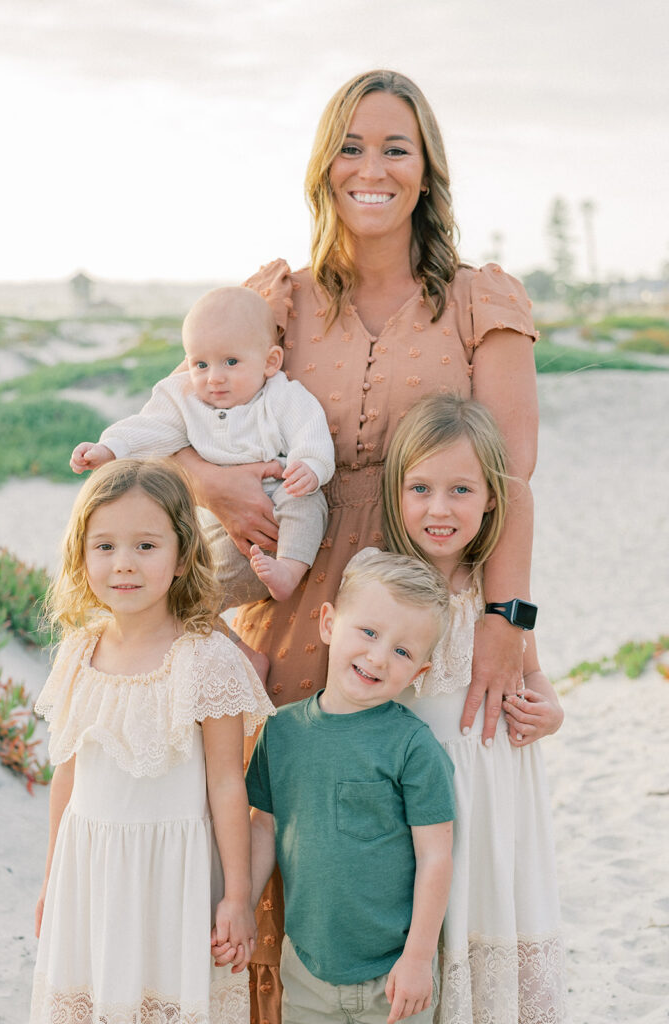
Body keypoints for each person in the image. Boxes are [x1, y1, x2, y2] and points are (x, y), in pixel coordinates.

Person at [172, 69, 541, 1021]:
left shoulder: (478, 300)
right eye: (351, 145)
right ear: (322, 165)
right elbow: (171, 420)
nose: (370, 168)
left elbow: (513, 481)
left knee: (424, 837)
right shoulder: (276, 303)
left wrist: (508, 621)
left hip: (424, 619)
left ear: (427, 172)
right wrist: (212, 480)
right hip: (289, 601)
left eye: (395, 148)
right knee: (291, 834)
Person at [29, 459, 275, 1024]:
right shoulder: (77, 653)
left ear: (183, 555)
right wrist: (50, 882)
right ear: (81, 554)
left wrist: (237, 897)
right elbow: (64, 776)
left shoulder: (205, 660)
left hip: (173, 882)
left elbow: (226, 784)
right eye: (105, 546)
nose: (123, 565)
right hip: (89, 876)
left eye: (145, 545)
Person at [383, 394, 565, 1023]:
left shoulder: (498, 596)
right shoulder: (386, 586)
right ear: (396, 492)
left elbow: (535, 678)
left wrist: (549, 713)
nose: (439, 508)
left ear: (492, 498)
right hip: (428, 795)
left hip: (499, 791)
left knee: (493, 915)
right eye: (421, 488)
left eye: (461, 489)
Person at [232, 549, 456, 1024]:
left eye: (402, 651)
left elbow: (436, 857)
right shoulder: (282, 731)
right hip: (307, 969)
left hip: (395, 976)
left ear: (418, 671)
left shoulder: (413, 746)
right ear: (329, 623)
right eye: (369, 632)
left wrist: (418, 960)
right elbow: (262, 830)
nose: (378, 657)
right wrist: (243, 906)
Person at [70, 286, 335, 605]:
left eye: (231, 362)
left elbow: (310, 429)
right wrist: (109, 448)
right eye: (201, 365)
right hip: (210, 513)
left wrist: (310, 466)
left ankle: (289, 571)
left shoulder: (283, 396)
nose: (214, 378)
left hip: (277, 494)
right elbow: (150, 427)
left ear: (270, 361)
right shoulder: (185, 400)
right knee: (189, 577)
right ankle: (228, 640)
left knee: (307, 501)